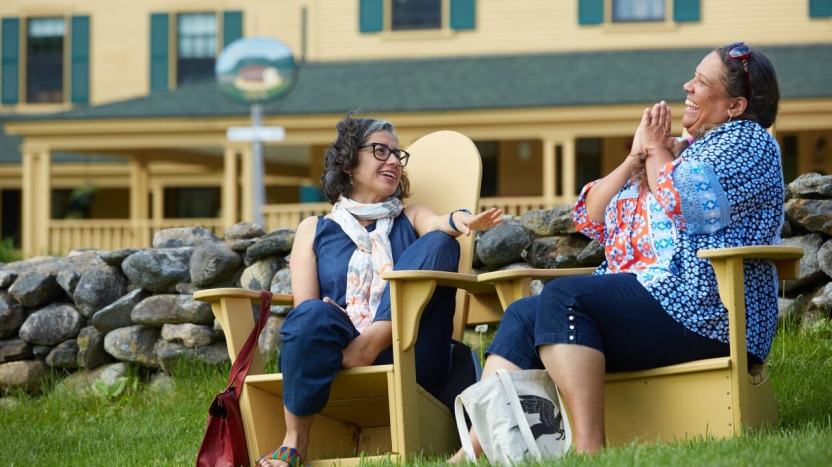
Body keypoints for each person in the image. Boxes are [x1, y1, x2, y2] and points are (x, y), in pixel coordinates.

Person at [449, 41, 783, 460]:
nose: (687, 86)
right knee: (522, 314)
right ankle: (472, 453)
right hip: (666, 303)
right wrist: (641, 154)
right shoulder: (693, 149)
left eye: (700, 81)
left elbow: (684, 202)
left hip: (712, 313)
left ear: (735, 105)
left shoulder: (748, 143)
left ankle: (590, 450)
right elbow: (592, 219)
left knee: (565, 299)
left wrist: (659, 151)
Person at [257, 111, 503, 467]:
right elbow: (307, 319)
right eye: (380, 151)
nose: (393, 162)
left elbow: (438, 224)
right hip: (340, 353)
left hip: (412, 353)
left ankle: (369, 344)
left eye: (397, 155)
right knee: (309, 314)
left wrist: (457, 220)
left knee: (440, 243)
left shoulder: (411, 216)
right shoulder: (313, 230)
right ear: (347, 163)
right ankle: (295, 442)